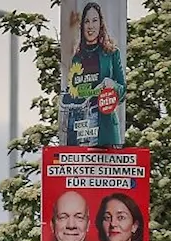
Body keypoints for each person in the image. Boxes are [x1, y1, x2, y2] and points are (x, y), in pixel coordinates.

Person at [60, 1, 127, 147]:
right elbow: (73, 90)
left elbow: (123, 92)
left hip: (104, 124)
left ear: (101, 24)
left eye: (95, 20)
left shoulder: (111, 54)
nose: (91, 26)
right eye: (87, 21)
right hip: (79, 124)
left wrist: (112, 85)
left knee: (105, 169)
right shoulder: (77, 57)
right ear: (82, 26)